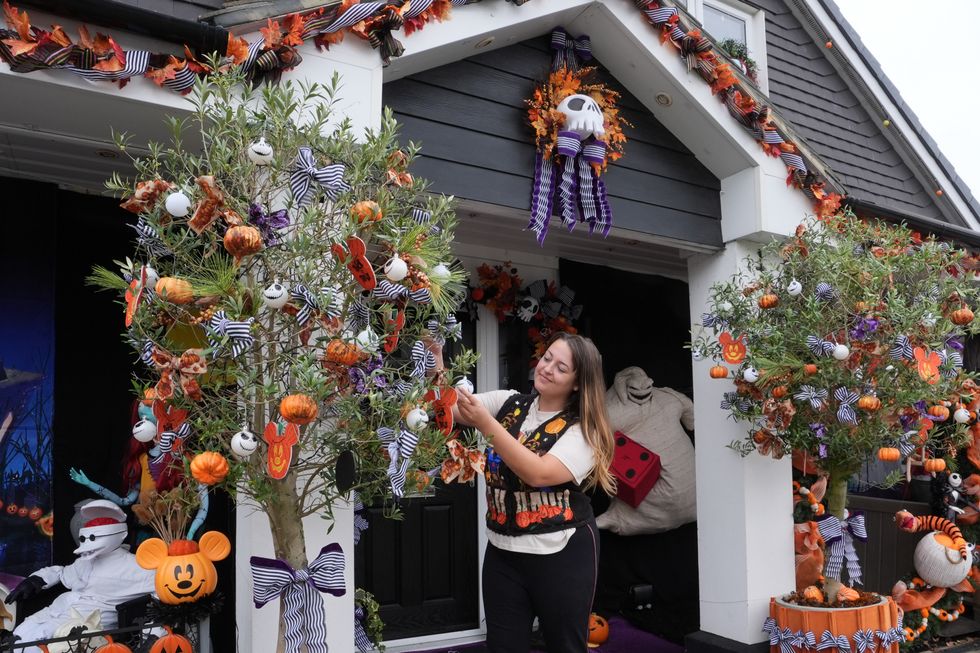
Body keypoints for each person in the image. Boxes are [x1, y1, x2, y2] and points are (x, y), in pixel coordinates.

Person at [452, 331, 616, 652]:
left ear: (579, 383)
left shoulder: (584, 429)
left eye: (561, 367)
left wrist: (487, 425)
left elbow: (539, 473)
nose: (547, 368)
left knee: (564, 646)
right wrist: (436, 360)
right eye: (546, 358)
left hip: (561, 553)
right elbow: (453, 409)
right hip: (503, 552)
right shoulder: (507, 403)